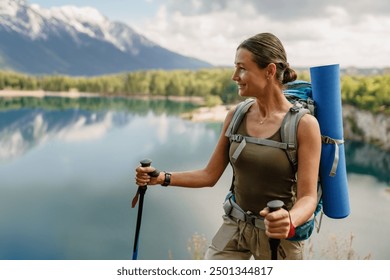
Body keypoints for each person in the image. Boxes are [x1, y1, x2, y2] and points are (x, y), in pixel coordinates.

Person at [135, 32, 321, 260]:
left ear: (270, 71)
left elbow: (308, 198)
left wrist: (289, 220)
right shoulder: (236, 115)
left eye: (242, 68)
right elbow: (209, 175)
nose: (235, 76)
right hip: (234, 226)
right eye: (235, 67)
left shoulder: (303, 125)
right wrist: (162, 177)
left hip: (278, 237)